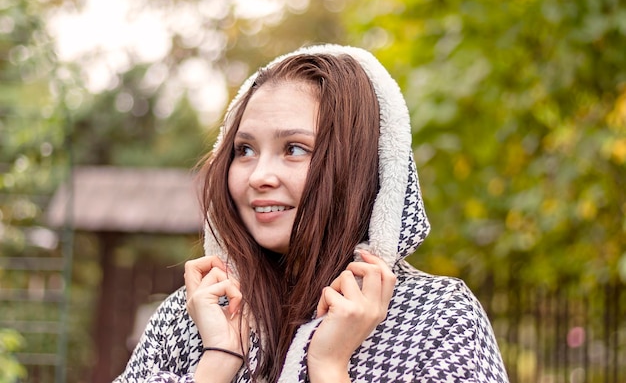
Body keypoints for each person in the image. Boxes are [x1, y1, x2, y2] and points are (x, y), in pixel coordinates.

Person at [113, 44, 509, 383]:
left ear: (355, 165)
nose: (259, 176)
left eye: (295, 149)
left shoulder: (435, 317)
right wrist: (217, 361)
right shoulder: (191, 316)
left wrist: (330, 366)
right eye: (244, 150)